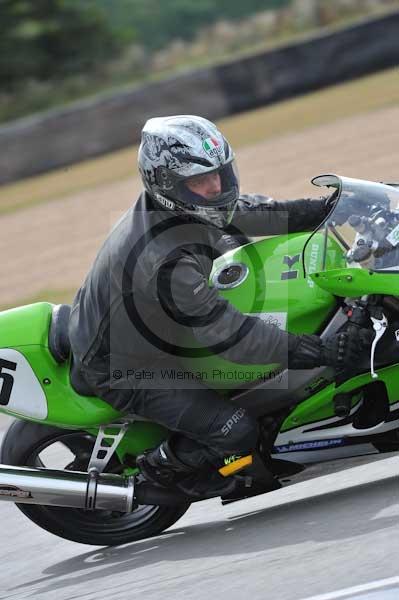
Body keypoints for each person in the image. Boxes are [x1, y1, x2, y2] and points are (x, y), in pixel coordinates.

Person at [68, 115, 368, 500]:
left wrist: (334, 208)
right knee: (238, 428)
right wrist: (322, 351)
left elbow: (255, 212)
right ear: (167, 184)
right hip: (126, 365)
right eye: (200, 181)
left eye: (221, 174)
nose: (215, 187)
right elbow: (233, 337)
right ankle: (157, 471)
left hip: (160, 328)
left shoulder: (188, 206)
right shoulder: (164, 258)